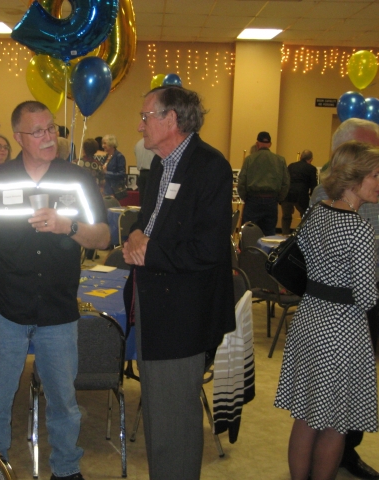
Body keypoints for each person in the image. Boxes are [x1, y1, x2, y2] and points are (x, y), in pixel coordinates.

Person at [0, 100, 110, 480]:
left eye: (51, 129)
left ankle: (66, 469)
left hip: (58, 310)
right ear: (18, 138)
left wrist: (69, 227)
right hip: (6, 308)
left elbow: (104, 236)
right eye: (38, 132)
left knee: (64, 401)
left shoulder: (76, 179)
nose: (49, 137)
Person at [123, 86, 235, 479]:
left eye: (145, 117)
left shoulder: (210, 167)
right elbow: (147, 220)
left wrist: (148, 251)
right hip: (153, 306)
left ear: (171, 120)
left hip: (183, 314)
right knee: (157, 412)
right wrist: (135, 235)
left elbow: (208, 251)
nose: (140, 125)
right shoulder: (159, 165)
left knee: (176, 422)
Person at [274, 141, 379, 480]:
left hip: (309, 319)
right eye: (376, 176)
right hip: (342, 330)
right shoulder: (359, 229)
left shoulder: (318, 212)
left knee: (306, 416)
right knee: (336, 423)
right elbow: (365, 297)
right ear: (355, 178)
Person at [309, 118, 379, 480]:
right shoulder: (339, 206)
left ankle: (343, 454)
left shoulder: (325, 209)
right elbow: (363, 290)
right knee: (335, 409)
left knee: (320, 409)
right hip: (346, 313)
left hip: (327, 310)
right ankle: (330, 459)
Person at [237, 131, 290, 235]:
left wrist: (245, 198)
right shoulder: (280, 160)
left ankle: (248, 251)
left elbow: (242, 181)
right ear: (270, 144)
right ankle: (267, 251)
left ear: (257, 143)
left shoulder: (249, 159)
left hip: (253, 200)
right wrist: (279, 198)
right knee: (269, 233)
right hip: (271, 200)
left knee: (248, 232)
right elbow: (286, 183)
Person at [281, 149, 318, 234]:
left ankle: (284, 235)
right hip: (301, 195)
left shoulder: (291, 166)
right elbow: (314, 185)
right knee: (305, 216)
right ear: (311, 159)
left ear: (301, 157)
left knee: (286, 217)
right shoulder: (311, 168)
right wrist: (312, 198)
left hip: (287, 194)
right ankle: (300, 235)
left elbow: (285, 180)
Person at [134, 137, 155, 205]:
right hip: (152, 173)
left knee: (142, 198)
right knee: (151, 198)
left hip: (141, 174)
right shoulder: (154, 142)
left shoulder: (138, 143)